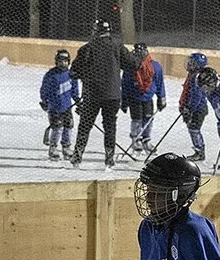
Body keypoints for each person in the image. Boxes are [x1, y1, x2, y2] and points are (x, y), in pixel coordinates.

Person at [68, 20, 128, 166]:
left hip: (92, 94)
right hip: (112, 95)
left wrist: (82, 75)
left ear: (95, 31)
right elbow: (131, 64)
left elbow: (75, 71)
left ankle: (77, 155)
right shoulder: (117, 46)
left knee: (85, 125)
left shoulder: (87, 49)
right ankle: (109, 157)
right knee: (110, 126)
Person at [125, 43, 168, 157]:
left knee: (148, 119)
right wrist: (124, 99)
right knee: (136, 119)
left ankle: (146, 139)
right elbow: (125, 84)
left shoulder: (155, 66)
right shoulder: (130, 67)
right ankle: (136, 139)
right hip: (134, 98)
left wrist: (161, 97)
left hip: (148, 98)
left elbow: (160, 83)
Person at [39, 47, 79, 161]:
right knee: (57, 128)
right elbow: (44, 89)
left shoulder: (71, 74)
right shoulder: (51, 75)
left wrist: (77, 101)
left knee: (69, 127)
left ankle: (66, 147)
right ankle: (53, 148)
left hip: (67, 107)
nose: (63, 63)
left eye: (65, 61)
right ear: (56, 61)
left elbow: (74, 90)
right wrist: (44, 100)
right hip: (54, 108)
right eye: (60, 61)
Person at [179, 51, 214, 162]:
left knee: (194, 129)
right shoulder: (192, 75)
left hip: (198, 109)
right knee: (192, 129)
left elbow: (196, 96)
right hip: (192, 108)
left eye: (192, 62)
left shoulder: (197, 77)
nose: (189, 64)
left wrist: (189, 109)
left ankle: (199, 152)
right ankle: (198, 150)